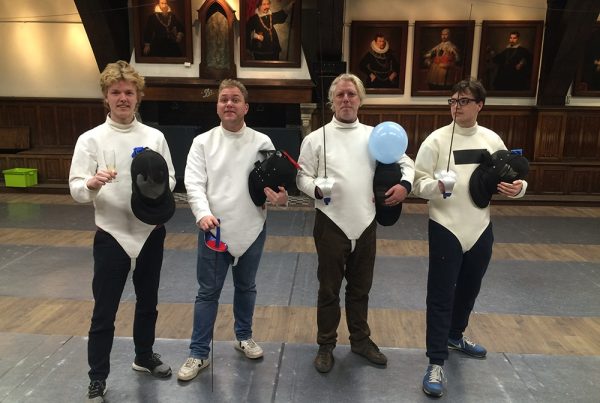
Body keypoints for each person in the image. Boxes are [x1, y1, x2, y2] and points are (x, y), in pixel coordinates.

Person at [412, 79, 528, 397]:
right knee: (440, 295)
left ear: (479, 105)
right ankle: (436, 361)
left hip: (480, 227)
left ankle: (455, 335)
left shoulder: (491, 139)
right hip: (445, 227)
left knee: (469, 288)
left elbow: (511, 175)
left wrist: (519, 189)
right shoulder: (435, 140)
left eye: (464, 101)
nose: (457, 106)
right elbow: (417, 184)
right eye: (453, 101)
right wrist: (435, 186)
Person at [69, 60, 176, 402]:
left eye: (129, 92)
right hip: (111, 234)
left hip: (149, 233)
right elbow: (75, 187)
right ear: (106, 97)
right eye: (116, 92)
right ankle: (97, 377)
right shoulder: (91, 139)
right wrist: (91, 183)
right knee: (104, 310)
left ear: (138, 96)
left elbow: (171, 179)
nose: (123, 98)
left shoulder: (154, 137)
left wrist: (156, 193)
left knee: (148, 302)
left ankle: (143, 356)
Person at [296, 73, 415, 373]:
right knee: (329, 289)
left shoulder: (375, 136)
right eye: (340, 95)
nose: (346, 99)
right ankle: (326, 344)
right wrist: (315, 189)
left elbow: (407, 163)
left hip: (366, 222)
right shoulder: (316, 138)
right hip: (331, 222)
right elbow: (301, 177)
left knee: (361, 288)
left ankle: (360, 340)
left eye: (351, 94)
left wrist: (405, 186)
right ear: (332, 101)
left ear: (360, 100)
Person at [177, 79, 288, 382]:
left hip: (252, 228)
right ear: (217, 106)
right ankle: (199, 352)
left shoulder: (262, 142)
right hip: (214, 230)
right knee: (207, 292)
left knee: (246, 287)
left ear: (246, 106)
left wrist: (281, 198)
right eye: (224, 99)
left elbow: (275, 184)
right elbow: (194, 183)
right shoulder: (203, 142)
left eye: (235, 99)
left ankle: (244, 336)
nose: (229, 104)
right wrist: (202, 214)